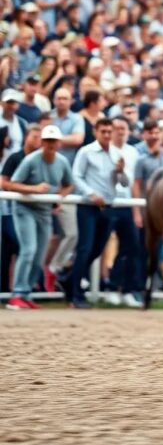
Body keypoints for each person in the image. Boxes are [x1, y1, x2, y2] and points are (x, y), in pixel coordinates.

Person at [5, 125, 74, 309]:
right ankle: (17, 294)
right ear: (42, 142)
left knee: (39, 255)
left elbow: (69, 184)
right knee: (29, 249)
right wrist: (34, 189)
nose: (50, 144)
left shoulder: (62, 162)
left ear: (59, 143)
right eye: (47, 141)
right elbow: (12, 184)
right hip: (24, 208)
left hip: (44, 211)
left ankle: (26, 293)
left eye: (54, 141)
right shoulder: (30, 160)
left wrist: (59, 197)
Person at [64, 118, 127, 308]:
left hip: (108, 207)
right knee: (85, 248)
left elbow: (124, 183)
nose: (106, 135)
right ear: (95, 132)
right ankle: (76, 295)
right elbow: (76, 176)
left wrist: (121, 171)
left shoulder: (117, 153)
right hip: (88, 206)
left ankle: (69, 281)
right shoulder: (86, 151)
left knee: (96, 250)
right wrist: (91, 194)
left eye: (109, 131)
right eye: (103, 131)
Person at [132, 118, 163, 295]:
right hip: (146, 212)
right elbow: (136, 185)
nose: (155, 135)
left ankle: (159, 286)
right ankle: (140, 287)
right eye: (151, 132)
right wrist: (137, 212)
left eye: (157, 132)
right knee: (142, 251)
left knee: (161, 251)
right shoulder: (141, 159)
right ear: (144, 134)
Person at [47, 87, 85, 282]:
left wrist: (53, 139)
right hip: (44, 183)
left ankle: (53, 269)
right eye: (58, 98)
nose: (61, 101)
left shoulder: (76, 119)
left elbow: (78, 139)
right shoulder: (48, 116)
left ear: (70, 101)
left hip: (66, 186)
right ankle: (44, 275)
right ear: (53, 99)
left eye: (65, 98)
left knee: (71, 234)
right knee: (49, 236)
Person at [0, 124, 41, 295]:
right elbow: (4, 183)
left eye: (39, 137)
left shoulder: (41, 159)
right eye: (34, 136)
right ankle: (17, 288)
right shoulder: (15, 158)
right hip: (11, 211)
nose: (37, 140)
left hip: (35, 211)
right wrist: (30, 189)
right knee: (19, 248)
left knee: (17, 248)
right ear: (26, 137)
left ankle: (20, 288)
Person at [107, 116, 142, 307]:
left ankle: (125, 289)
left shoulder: (133, 152)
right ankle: (110, 288)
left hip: (127, 203)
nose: (120, 132)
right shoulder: (105, 149)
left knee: (132, 247)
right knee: (98, 246)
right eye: (117, 128)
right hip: (109, 204)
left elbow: (134, 183)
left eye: (123, 128)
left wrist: (136, 210)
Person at [0, 88, 28, 169]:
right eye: (9, 102)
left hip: (16, 165)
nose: (11, 106)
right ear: (2, 103)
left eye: (14, 103)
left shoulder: (22, 123)